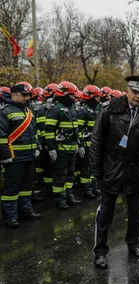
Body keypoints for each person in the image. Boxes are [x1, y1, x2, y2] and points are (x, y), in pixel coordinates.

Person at [90, 75, 139, 269]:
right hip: (112, 166)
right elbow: (97, 140)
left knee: (135, 213)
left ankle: (133, 245)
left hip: (135, 168)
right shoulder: (109, 111)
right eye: (135, 92)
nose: (138, 96)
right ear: (127, 90)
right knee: (106, 212)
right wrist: (96, 170)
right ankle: (100, 252)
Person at [0, 82, 41, 228]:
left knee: (26, 187)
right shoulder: (5, 111)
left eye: (28, 95)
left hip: (29, 156)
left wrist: (37, 147)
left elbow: (34, 133)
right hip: (14, 157)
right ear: (14, 95)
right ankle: (10, 216)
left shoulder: (28, 111)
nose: (27, 98)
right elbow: (1, 135)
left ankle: (26, 211)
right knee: (11, 189)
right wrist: (5, 155)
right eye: (24, 95)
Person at [45, 81, 81, 210]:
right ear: (64, 94)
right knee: (60, 175)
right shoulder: (55, 109)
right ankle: (60, 199)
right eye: (72, 95)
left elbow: (76, 128)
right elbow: (48, 131)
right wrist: (51, 148)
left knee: (71, 174)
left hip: (72, 147)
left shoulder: (72, 108)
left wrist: (78, 143)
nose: (74, 97)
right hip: (60, 149)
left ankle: (69, 196)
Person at [77, 85, 102, 199]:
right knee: (86, 169)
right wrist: (81, 145)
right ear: (90, 97)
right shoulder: (83, 111)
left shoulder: (95, 110)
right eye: (97, 97)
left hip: (95, 146)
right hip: (86, 146)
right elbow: (79, 130)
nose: (99, 99)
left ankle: (94, 187)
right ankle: (87, 190)